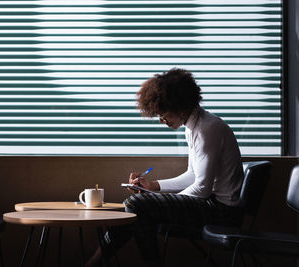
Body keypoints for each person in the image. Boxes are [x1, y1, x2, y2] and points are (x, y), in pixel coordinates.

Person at [86, 68, 244, 267]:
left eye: (163, 114)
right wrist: (154, 187)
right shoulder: (194, 127)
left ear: (181, 107)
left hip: (222, 212)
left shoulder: (207, 130)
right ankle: (93, 263)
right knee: (135, 206)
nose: (161, 120)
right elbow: (193, 175)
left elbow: (202, 189)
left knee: (137, 205)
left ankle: (99, 263)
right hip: (212, 204)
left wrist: (158, 201)